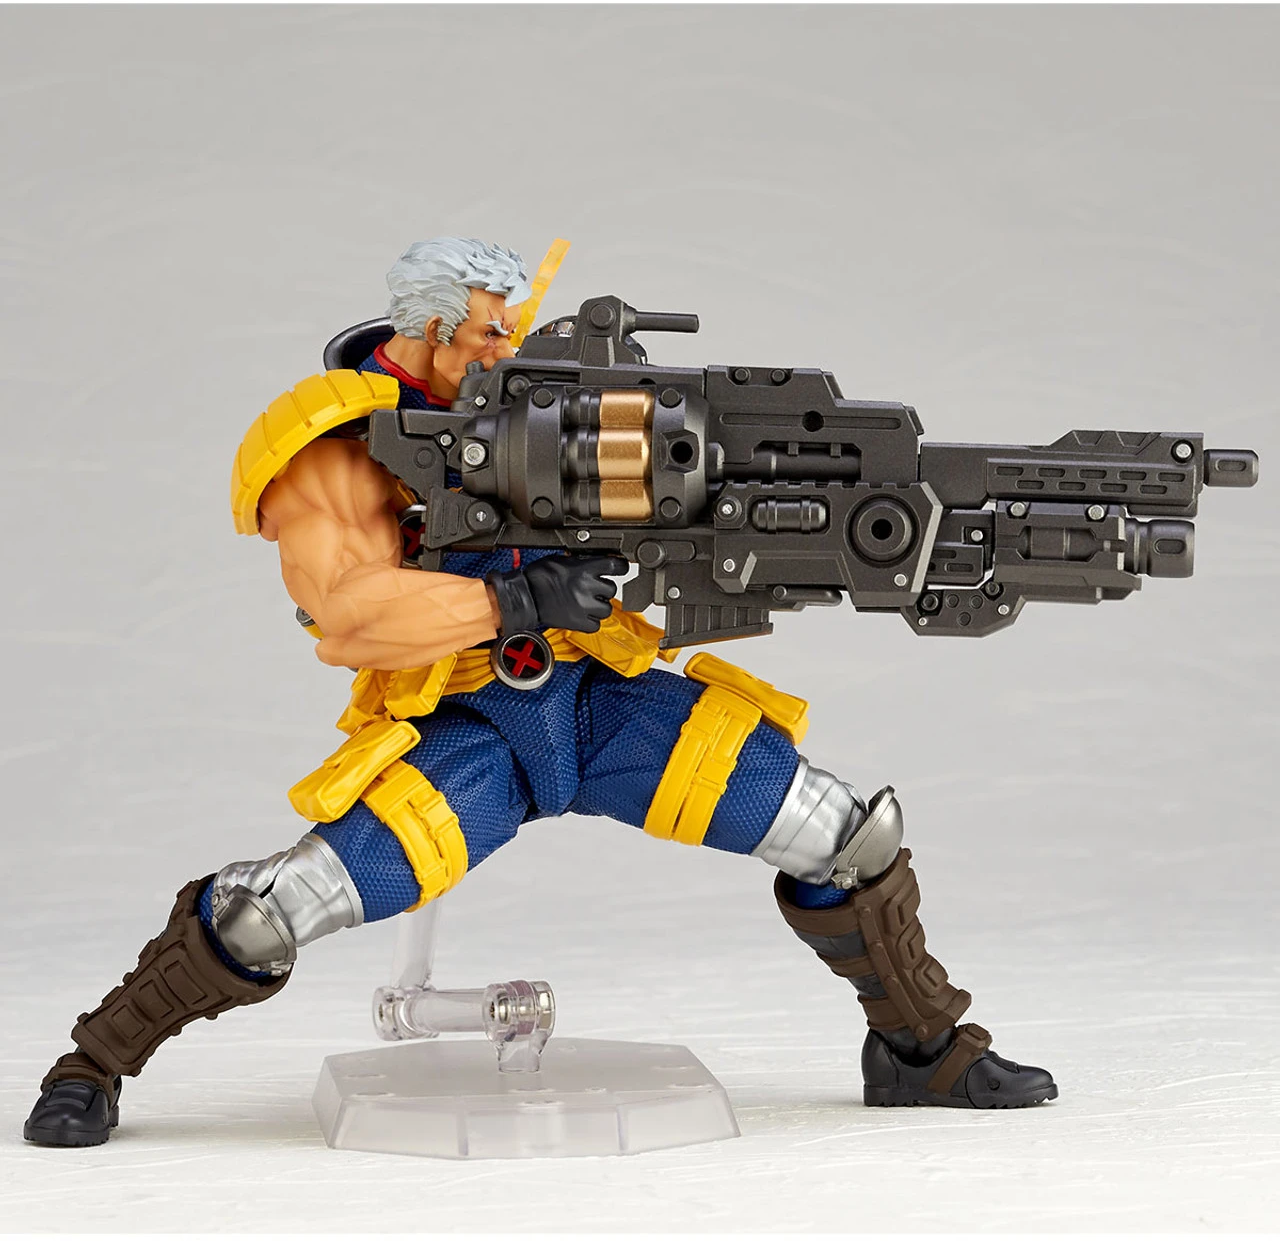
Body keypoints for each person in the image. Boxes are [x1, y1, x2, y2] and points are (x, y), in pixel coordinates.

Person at [24, 238, 1055, 1148]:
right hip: (470, 725)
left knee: (841, 831)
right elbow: (347, 613)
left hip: (598, 704)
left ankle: (923, 1050)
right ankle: (95, 1060)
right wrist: (510, 599)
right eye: (485, 331)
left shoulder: (545, 398)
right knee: (271, 910)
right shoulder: (336, 443)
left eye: (510, 326)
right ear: (427, 329)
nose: (503, 347)